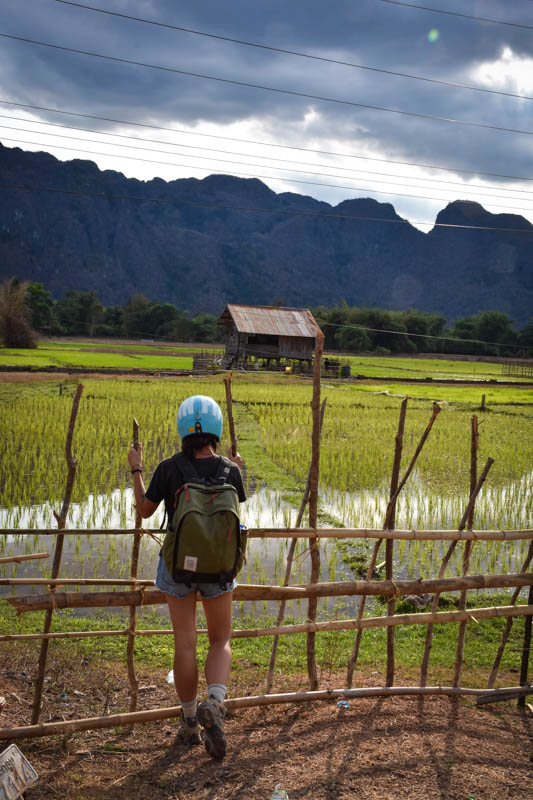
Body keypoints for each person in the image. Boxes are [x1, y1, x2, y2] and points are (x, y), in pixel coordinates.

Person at [127, 394, 246, 760]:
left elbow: (144, 512)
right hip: (220, 566)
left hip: (179, 567)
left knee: (185, 644)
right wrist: (237, 466)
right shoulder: (231, 470)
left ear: (182, 428)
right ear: (217, 430)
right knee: (221, 638)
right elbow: (235, 509)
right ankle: (216, 701)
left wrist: (136, 468)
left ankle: (191, 722)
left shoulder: (169, 467)